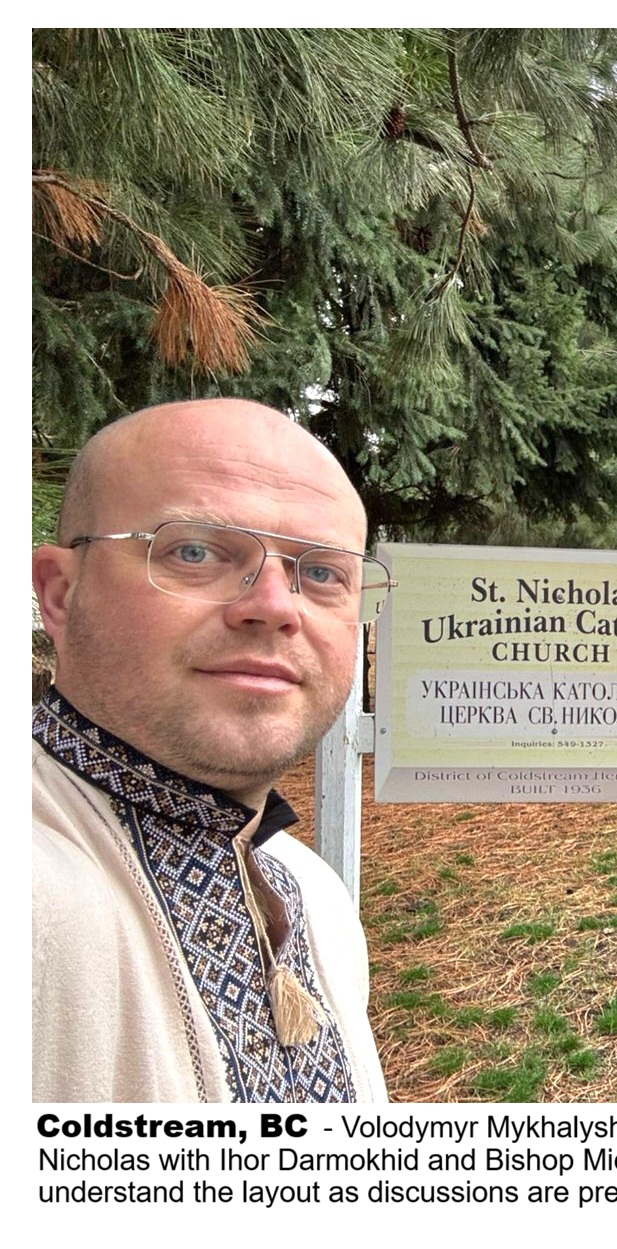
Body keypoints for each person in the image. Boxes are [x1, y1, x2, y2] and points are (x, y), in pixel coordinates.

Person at [32, 398, 391, 1102]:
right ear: (59, 593)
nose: (275, 604)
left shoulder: (314, 895)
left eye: (321, 573)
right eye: (193, 551)